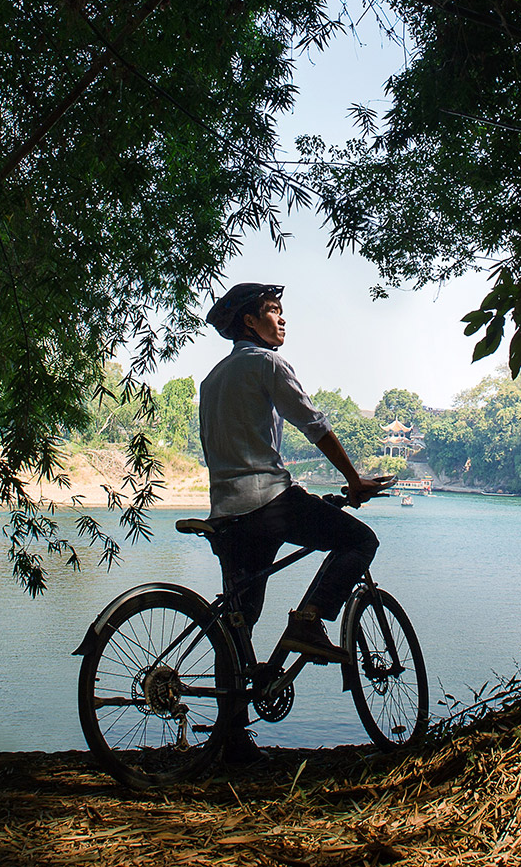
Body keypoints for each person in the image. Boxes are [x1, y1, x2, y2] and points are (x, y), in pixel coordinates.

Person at [199, 283, 391, 756]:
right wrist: (354, 479)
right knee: (359, 541)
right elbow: (313, 423)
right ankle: (309, 618)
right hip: (268, 501)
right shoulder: (267, 363)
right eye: (273, 311)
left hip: (226, 512)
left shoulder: (211, 379)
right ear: (250, 322)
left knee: (237, 625)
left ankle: (231, 740)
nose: (282, 319)